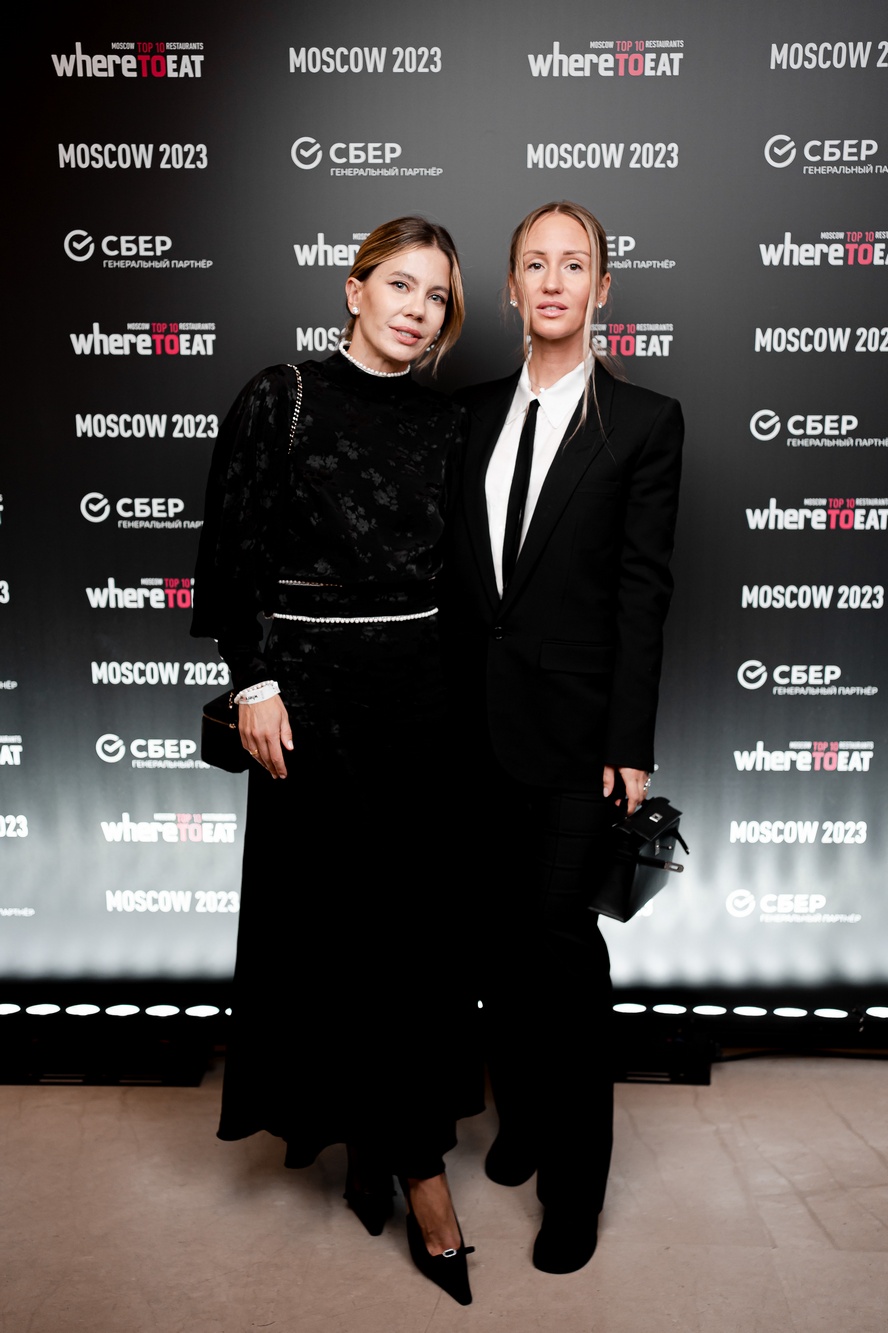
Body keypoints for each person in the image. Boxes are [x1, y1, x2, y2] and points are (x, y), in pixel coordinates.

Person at [192, 217, 480, 1306]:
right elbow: (235, 551)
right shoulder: (283, 395)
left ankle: (392, 1152)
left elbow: (466, 580)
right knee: (337, 939)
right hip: (309, 707)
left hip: (422, 703)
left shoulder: (448, 421)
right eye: (400, 285)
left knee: (413, 946)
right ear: (354, 289)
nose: (418, 309)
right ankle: (414, 1173)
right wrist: (255, 682)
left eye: (437, 297)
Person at [445, 201, 683, 1274]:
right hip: (469, 736)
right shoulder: (466, 415)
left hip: (579, 742)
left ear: (601, 289)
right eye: (534, 264)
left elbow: (643, 593)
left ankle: (574, 1186)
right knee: (498, 950)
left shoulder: (644, 422)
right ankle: (526, 1120)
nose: (552, 281)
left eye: (573, 264)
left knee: (561, 952)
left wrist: (630, 745)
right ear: (510, 287)